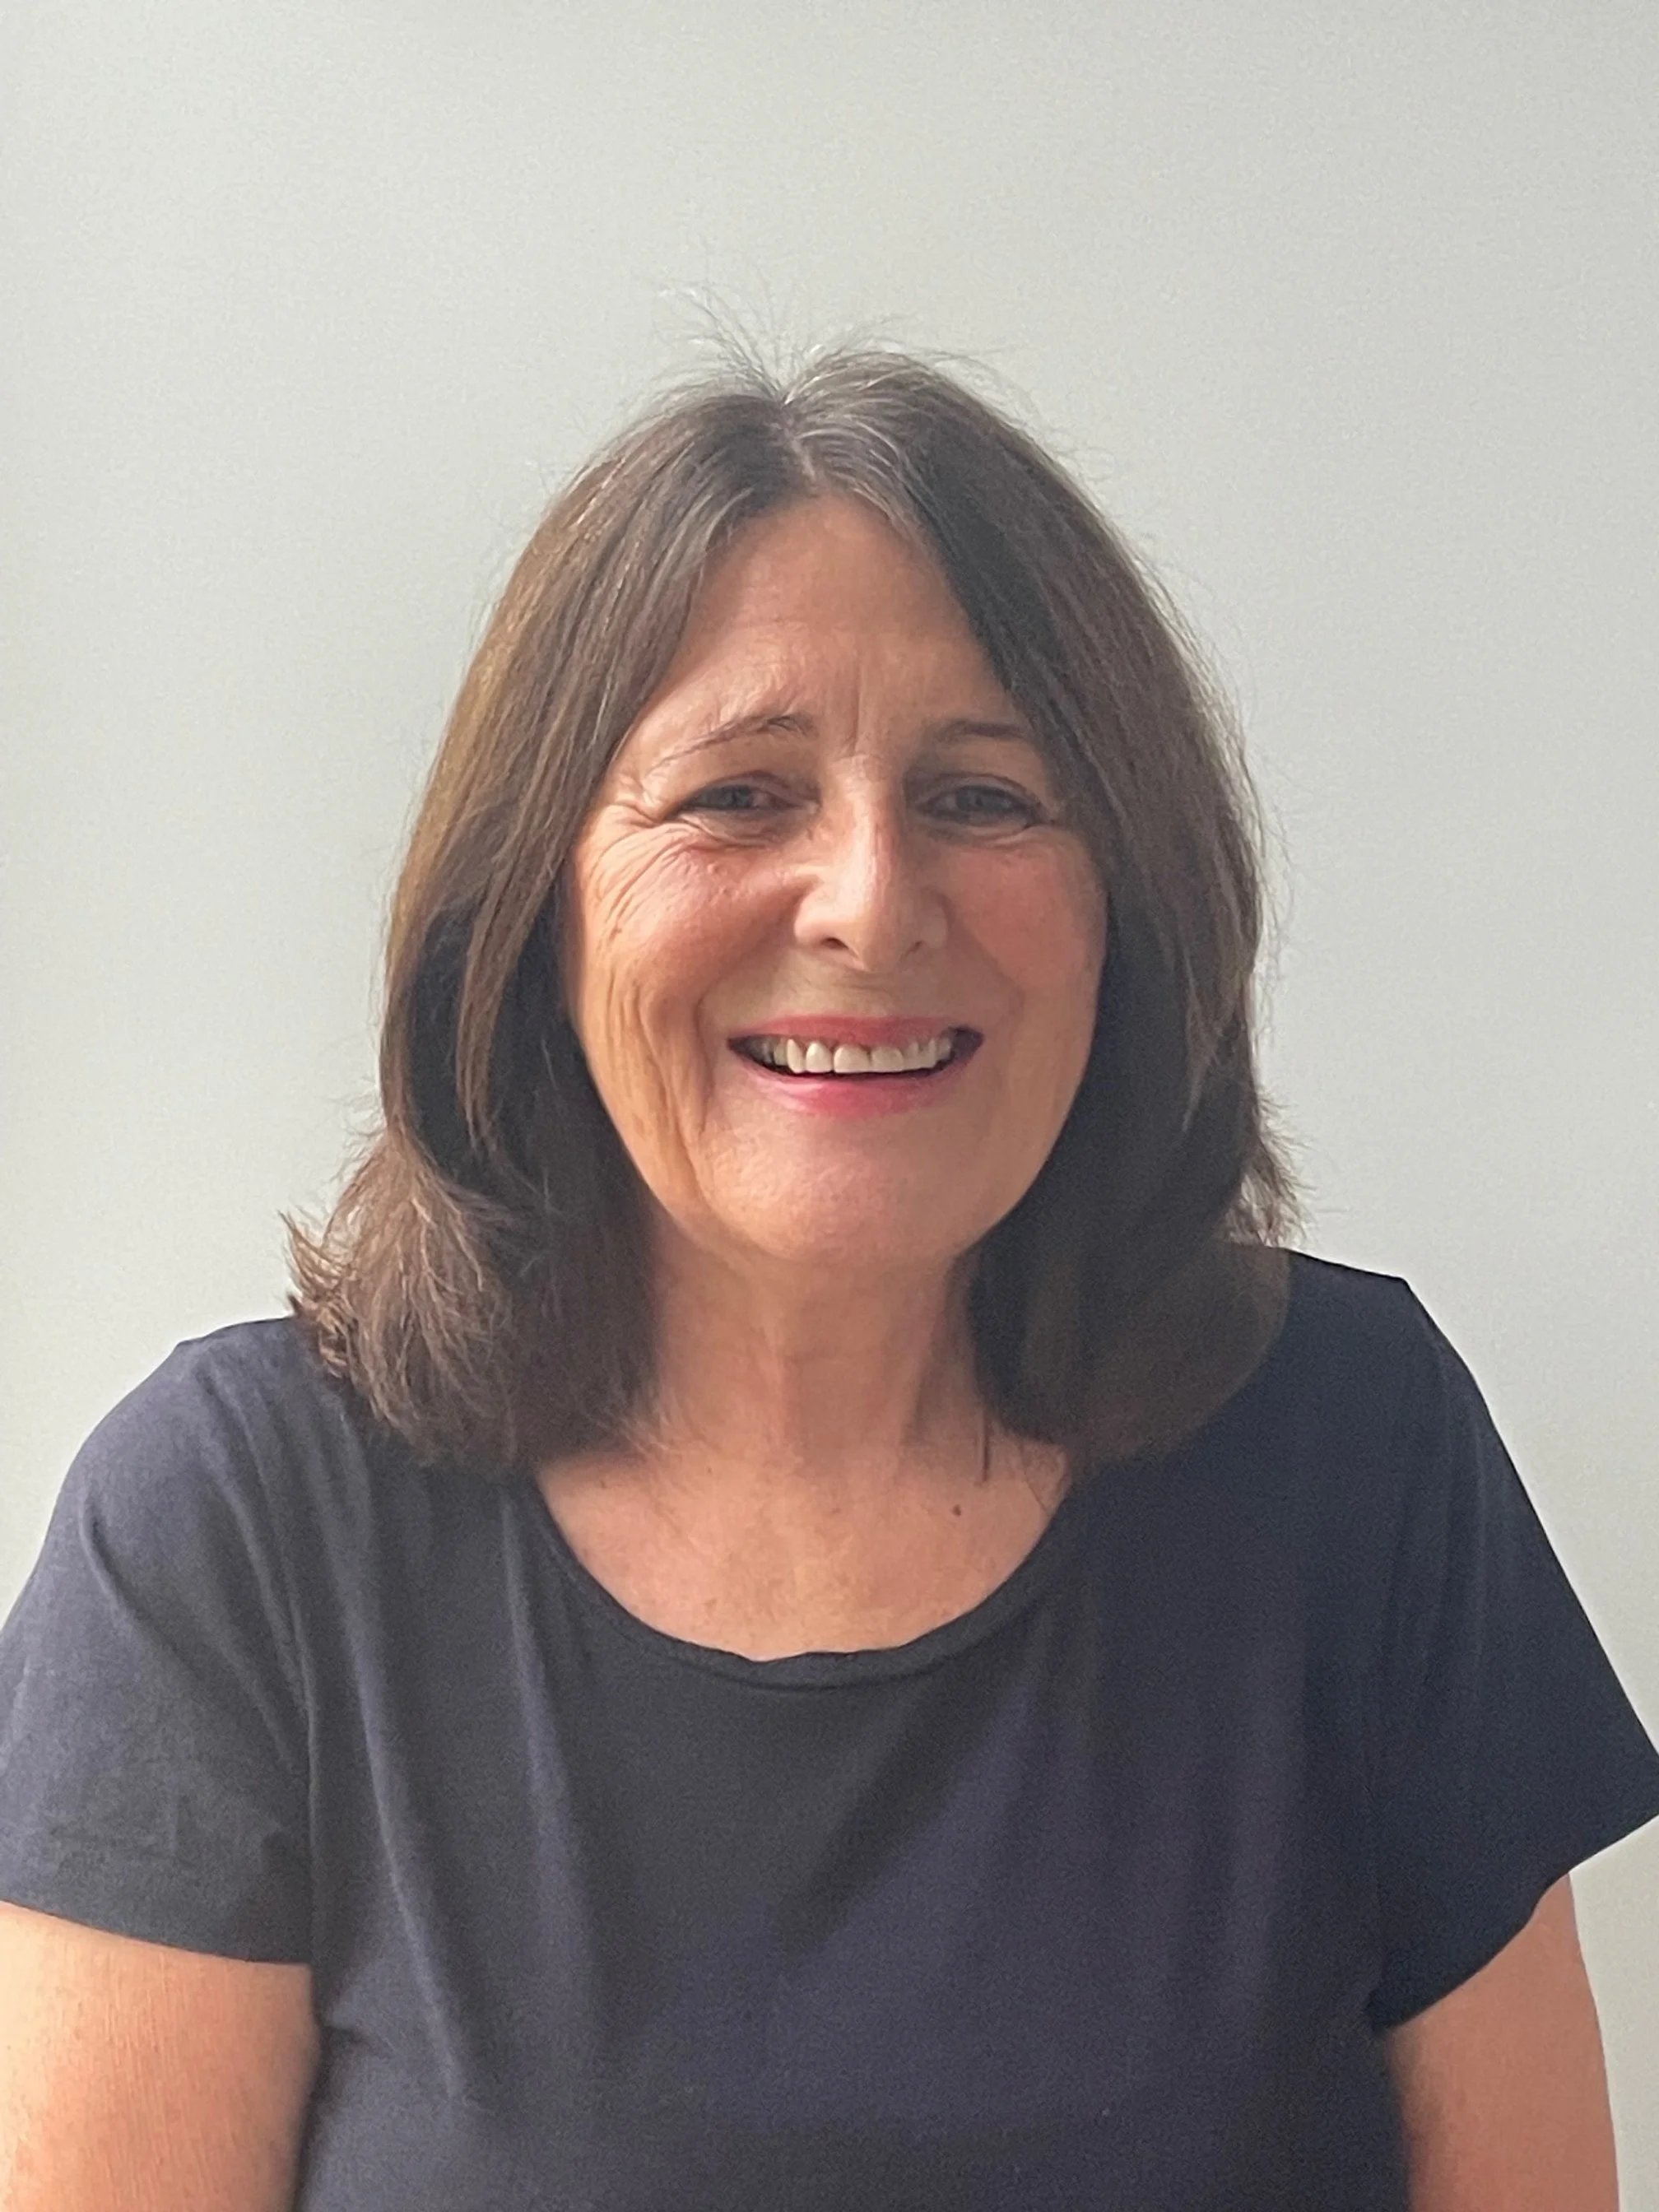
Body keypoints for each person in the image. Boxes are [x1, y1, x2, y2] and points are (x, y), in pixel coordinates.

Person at [1, 346, 1656, 2212]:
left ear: (1126, 903)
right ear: (535, 908)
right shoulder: (231, 1533)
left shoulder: (1356, 1456)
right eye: (737, 795)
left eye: (986, 797)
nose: (869, 900)